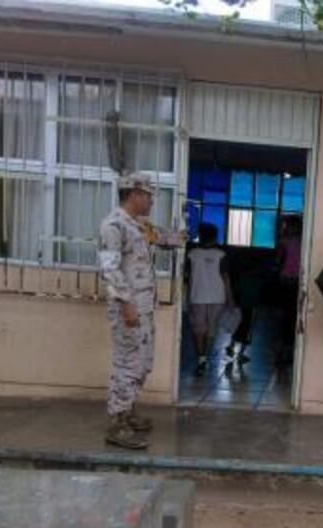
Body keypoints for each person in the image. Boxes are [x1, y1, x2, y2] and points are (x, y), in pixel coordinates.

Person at [98, 172, 184, 450]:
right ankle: (117, 423)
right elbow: (109, 269)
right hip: (129, 309)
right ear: (134, 194)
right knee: (128, 363)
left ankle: (128, 411)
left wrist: (179, 236)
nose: (151, 200)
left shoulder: (136, 225)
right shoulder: (113, 226)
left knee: (143, 362)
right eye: (148, 195)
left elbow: (161, 238)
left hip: (144, 308)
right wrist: (126, 305)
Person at [186, 223, 231, 376]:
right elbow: (225, 277)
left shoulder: (192, 253)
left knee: (199, 329)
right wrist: (230, 298)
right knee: (212, 329)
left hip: (197, 296)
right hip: (217, 296)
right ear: (215, 236)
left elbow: (189, 277)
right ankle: (205, 356)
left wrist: (188, 297)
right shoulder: (221, 253)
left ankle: (201, 358)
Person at [277, 217, 302, 366]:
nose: (284, 227)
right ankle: (288, 353)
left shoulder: (284, 242)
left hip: (287, 281)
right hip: (295, 281)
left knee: (286, 319)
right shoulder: (302, 241)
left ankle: (284, 354)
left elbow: (279, 260)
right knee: (291, 318)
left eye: (286, 225)